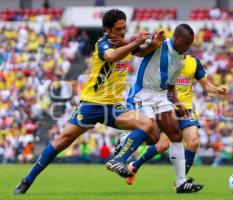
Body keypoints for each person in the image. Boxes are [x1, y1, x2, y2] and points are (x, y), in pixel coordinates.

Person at [14, 9, 165, 195]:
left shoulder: (125, 43)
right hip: (92, 104)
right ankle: (27, 180)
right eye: (118, 29)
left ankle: (119, 158)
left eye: (124, 28)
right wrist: (133, 42)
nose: (122, 32)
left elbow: (141, 53)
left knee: (151, 129)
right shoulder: (102, 43)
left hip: (113, 107)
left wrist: (155, 44)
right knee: (62, 142)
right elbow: (112, 56)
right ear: (106, 29)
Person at [118, 54, 228, 185]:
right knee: (163, 144)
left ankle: (180, 182)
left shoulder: (193, 62)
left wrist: (217, 90)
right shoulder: (165, 59)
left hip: (185, 108)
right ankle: (134, 165)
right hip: (165, 107)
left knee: (193, 142)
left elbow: (205, 86)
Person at [121, 24, 202, 193]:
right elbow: (136, 51)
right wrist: (154, 44)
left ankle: (181, 183)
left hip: (161, 96)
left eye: (190, 44)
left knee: (175, 133)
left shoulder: (180, 60)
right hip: (143, 93)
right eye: (186, 43)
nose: (187, 47)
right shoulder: (160, 42)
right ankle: (124, 139)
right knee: (153, 136)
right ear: (177, 38)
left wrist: (177, 101)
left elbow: (171, 86)